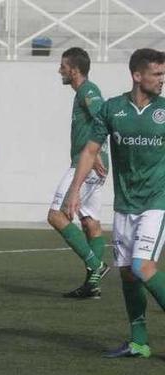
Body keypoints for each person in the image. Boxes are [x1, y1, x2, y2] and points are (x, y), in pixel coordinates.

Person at [66, 48, 165, 358]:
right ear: (137, 75)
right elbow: (90, 150)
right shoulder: (112, 109)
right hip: (124, 205)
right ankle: (138, 341)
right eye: (157, 74)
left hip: (156, 202)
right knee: (126, 273)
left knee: (143, 266)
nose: (163, 80)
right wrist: (74, 190)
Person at [49, 47, 111, 298]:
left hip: (85, 166)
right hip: (94, 165)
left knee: (56, 215)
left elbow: (103, 119)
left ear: (74, 70)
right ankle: (92, 286)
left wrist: (94, 155)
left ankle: (96, 265)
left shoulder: (88, 90)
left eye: (63, 66)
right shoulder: (82, 92)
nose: (59, 70)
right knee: (90, 223)